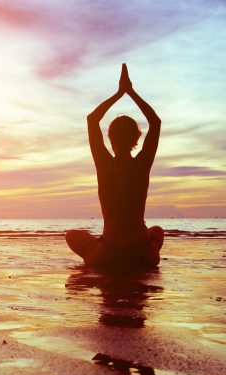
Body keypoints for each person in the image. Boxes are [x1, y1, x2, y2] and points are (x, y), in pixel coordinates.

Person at [66, 63, 164, 269]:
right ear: (137, 138)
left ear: (110, 138)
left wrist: (119, 93)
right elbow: (155, 122)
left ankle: (98, 253)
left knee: (72, 236)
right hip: (144, 254)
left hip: (109, 254)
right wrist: (131, 92)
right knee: (157, 231)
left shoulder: (104, 163)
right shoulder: (142, 164)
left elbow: (92, 119)